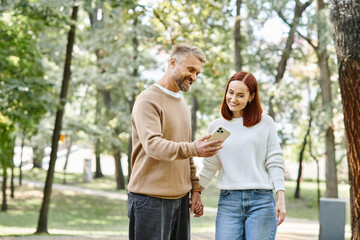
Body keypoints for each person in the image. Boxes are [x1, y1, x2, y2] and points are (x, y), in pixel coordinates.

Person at [127, 43, 222, 240]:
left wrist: (195, 188)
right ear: (173, 62)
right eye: (190, 70)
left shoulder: (182, 104)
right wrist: (194, 148)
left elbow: (186, 153)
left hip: (180, 200)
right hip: (150, 200)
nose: (194, 77)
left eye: (198, 73)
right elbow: (154, 145)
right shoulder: (148, 100)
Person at [199, 71, 286, 240]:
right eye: (230, 92)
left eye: (240, 95)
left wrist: (280, 196)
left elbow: (274, 161)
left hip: (261, 201)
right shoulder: (217, 127)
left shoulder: (265, 123)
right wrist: (197, 191)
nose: (233, 99)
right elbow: (211, 165)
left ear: (251, 97)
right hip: (229, 202)